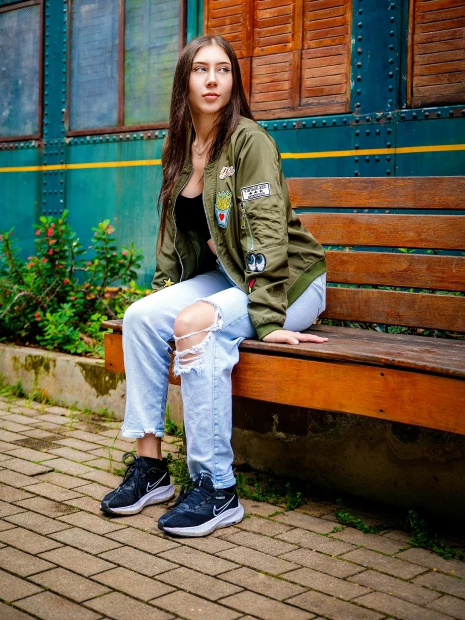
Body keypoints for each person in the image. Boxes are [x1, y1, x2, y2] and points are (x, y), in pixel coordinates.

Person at [100, 34, 328, 537]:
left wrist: (267, 321)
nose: (211, 79)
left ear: (233, 81)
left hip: (289, 282)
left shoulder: (250, 141)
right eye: (200, 69)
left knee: (194, 322)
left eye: (222, 69)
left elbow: (267, 232)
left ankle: (217, 488)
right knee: (141, 317)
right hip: (232, 275)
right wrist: (161, 290)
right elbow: (173, 233)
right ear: (185, 80)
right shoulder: (180, 147)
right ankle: (151, 468)